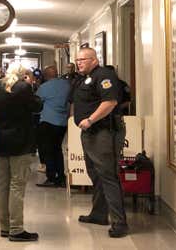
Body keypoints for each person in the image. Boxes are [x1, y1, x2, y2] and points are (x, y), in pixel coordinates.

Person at [72, 48, 128, 238]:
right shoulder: (85, 78)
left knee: (108, 175)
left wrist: (90, 120)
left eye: (83, 59)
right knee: (94, 173)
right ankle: (98, 214)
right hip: (90, 132)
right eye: (77, 60)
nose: (79, 63)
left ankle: (119, 223)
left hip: (103, 131)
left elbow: (110, 102)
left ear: (94, 60)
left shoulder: (105, 75)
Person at [0, 64, 43, 242]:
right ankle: (16, 229)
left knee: (3, 185)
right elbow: (37, 106)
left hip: (1, 140)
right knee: (17, 185)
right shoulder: (22, 87)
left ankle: (4, 226)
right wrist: (30, 85)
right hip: (21, 141)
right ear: (23, 75)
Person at [35, 66, 70, 188]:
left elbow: (36, 103)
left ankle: (51, 177)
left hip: (48, 122)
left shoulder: (44, 88)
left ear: (45, 76)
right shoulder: (67, 85)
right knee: (57, 149)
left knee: (48, 150)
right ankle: (61, 177)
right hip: (62, 123)